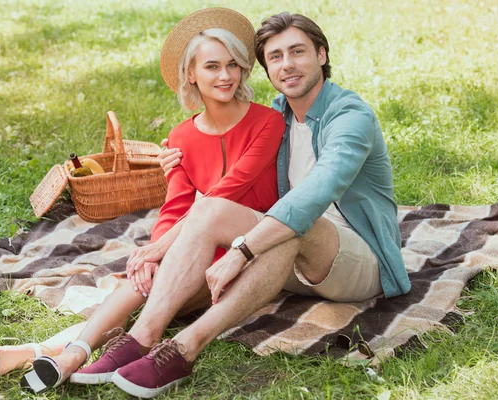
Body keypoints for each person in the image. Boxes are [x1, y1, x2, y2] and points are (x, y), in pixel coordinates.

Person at [80, 11, 411, 399]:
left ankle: (184, 348)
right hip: (289, 256)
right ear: (266, 68)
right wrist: (178, 164)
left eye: (298, 52)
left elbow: (314, 195)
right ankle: (142, 337)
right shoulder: (279, 116)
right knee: (213, 210)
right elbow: (229, 178)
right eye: (275, 57)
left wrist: (242, 250)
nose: (287, 65)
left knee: (292, 224)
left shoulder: (349, 117)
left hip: (357, 260)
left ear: (322, 55)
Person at [0, 8, 285, 394]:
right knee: (148, 287)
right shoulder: (180, 137)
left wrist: (160, 250)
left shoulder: (267, 121)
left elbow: (228, 191)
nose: (225, 75)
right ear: (190, 74)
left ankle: (54, 353)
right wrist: (154, 252)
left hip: (251, 243)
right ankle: (45, 353)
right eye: (212, 66)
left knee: (152, 293)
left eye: (233, 65)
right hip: (200, 246)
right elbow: (176, 207)